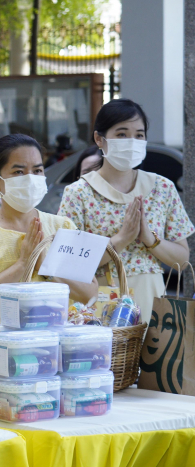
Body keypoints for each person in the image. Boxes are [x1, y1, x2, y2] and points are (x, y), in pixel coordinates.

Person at [58, 99, 194, 315]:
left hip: (153, 301)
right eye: (121, 134)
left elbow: (182, 260)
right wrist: (121, 239)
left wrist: (150, 239)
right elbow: (68, 266)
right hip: (100, 305)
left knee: (153, 349)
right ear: (99, 139)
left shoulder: (162, 188)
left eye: (139, 135)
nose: (132, 141)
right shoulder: (79, 193)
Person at [0, 134, 98, 324]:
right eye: (19, 172)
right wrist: (22, 265)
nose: (31, 179)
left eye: (37, 170)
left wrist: (46, 268)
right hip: (1, 349)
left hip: (56, 348)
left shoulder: (62, 227)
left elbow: (90, 293)